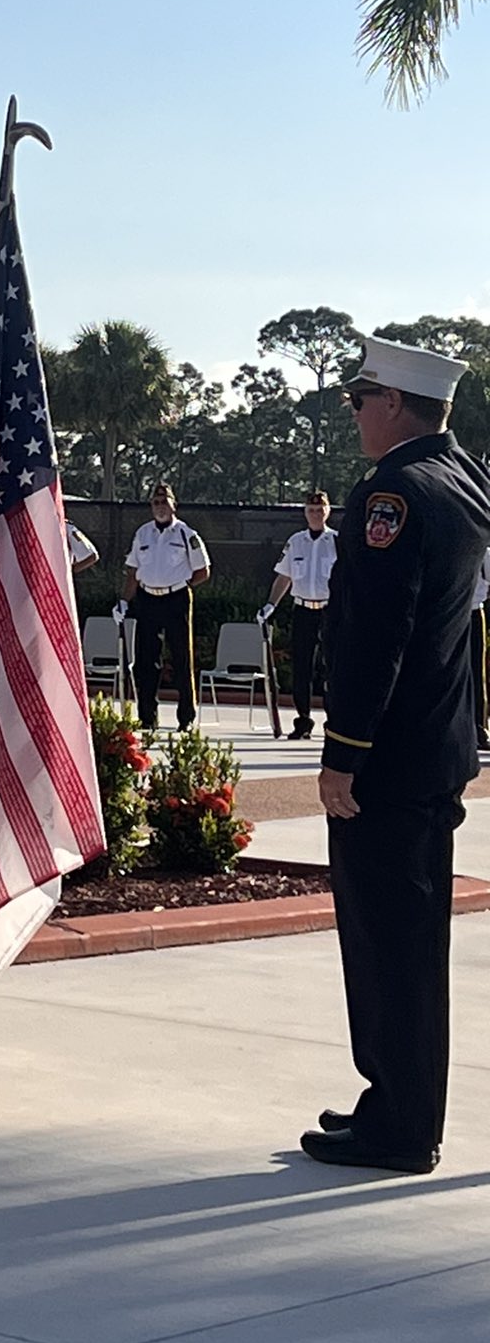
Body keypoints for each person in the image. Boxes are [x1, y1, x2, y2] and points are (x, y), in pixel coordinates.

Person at [303, 335, 490, 1175]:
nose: (353, 415)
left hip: (389, 757)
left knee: (388, 941)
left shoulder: (394, 493)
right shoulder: (463, 480)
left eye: (357, 400)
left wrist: (344, 751)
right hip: (433, 750)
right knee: (410, 941)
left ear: (391, 405)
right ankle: (398, 1104)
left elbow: (380, 634)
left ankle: (401, 1125)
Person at [116, 483, 210, 731]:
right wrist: (124, 601)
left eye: (164, 502)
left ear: (173, 505)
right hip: (147, 599)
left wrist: (182, 584)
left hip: (176, 598)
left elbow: (203, 570)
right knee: (147, 661)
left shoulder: (186, 534)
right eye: (155, 503)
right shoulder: (143, 534)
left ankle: (186, 718)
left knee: (181, 658)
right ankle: (148, 717)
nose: (160, 507)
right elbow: (133, 571)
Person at [257, 490, 337, 740]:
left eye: (320, 509)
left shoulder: (338, 542)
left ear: (328, 511)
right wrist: (271, 605)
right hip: (303, 609)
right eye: (311, 510)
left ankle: (333, 722)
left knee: (331, 668)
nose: (315, 514)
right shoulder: (296, 542)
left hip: (330, 611)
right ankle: (303, 720)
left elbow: (349, 579)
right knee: (302, 668)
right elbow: (285, 576)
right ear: (305, 513)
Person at [471, 548, 490, 752]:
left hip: (474, 611)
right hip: (446, 614)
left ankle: (479, 729)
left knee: (477, 672)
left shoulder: (482, 548)